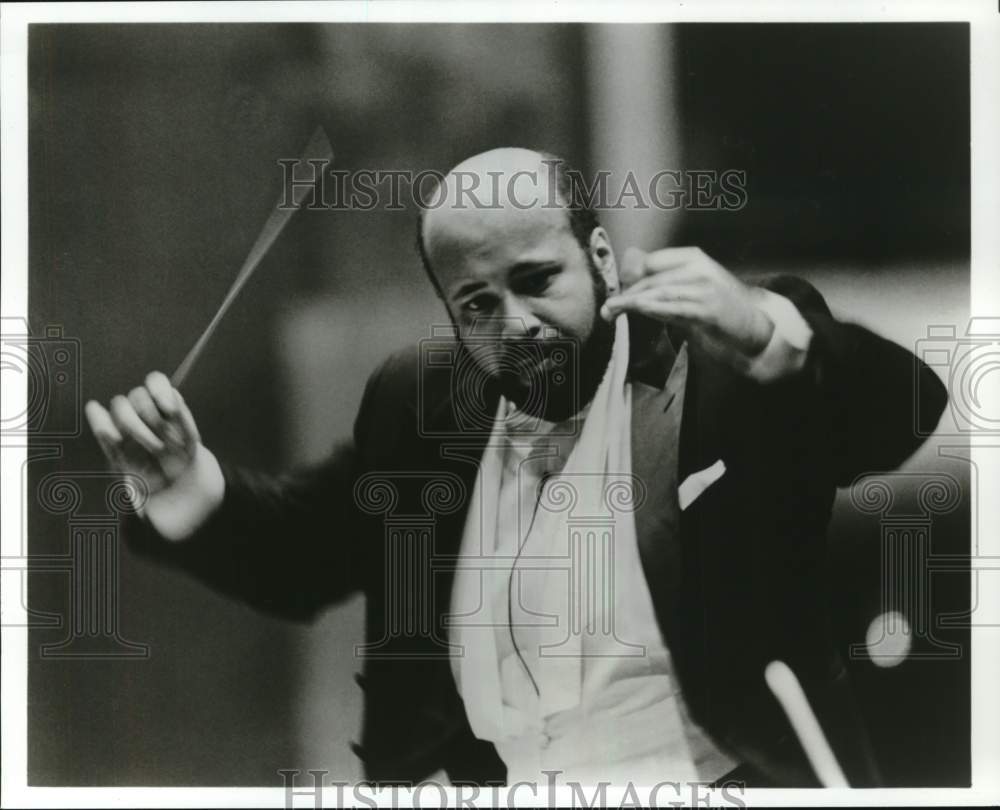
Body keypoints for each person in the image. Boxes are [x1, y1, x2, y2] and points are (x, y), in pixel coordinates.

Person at [85, 148, 947, 788]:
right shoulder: (421, 411)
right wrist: (184, 486)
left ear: (602, 260)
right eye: (477, 304)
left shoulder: (714, 367)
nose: (517, 323)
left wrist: (770, 337)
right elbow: (302, 554)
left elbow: (901, 413)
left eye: (539, 279)